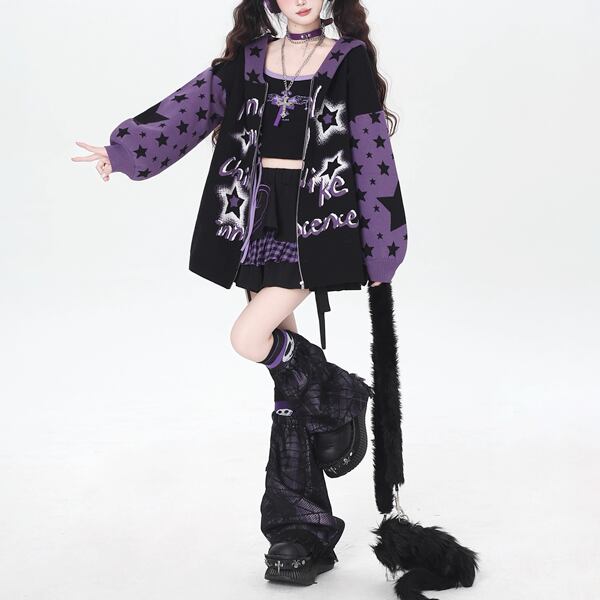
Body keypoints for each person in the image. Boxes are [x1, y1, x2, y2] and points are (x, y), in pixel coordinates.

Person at [72, 0, 408, 586]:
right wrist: (120, 153)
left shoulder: (347, 59)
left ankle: (339, 395)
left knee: (249, 337)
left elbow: (371, 148)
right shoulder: (249, 60)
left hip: (316, 222)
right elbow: (186, 111)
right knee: (285, 387)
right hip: (252, 216)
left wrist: (384, 245)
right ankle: (299, 528)